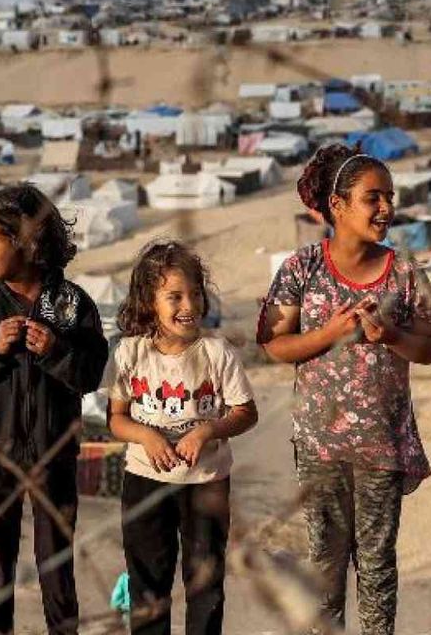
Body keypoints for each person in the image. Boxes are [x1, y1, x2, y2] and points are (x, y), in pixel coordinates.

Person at [256, 144, 431, 635]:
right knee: (324, 564)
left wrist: (391, 337)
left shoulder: (406, 275)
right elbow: (272, 344)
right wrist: (327, 335)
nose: (386, 208)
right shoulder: (302, 269)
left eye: (390, 197)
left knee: (378, 565)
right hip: (320, 445)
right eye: (373, 198)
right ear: (337, 206)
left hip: (382, 445)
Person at [0, 184, 109, 635]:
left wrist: (56, 351)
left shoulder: (72, 304)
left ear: (27, 240)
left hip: (53, 454)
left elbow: (91, 373)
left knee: (56, 563)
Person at [103, 240, 258, 635]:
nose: (187, 306)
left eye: (194, 294)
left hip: (206, 485)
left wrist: (208, 430)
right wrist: (147, 437)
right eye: (174, 296)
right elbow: (116, 420)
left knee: (204, 585)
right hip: (144, 483)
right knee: (147, 584)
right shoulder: (129, 353)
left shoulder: (216, 353)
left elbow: (245, 412)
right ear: (147, 301)